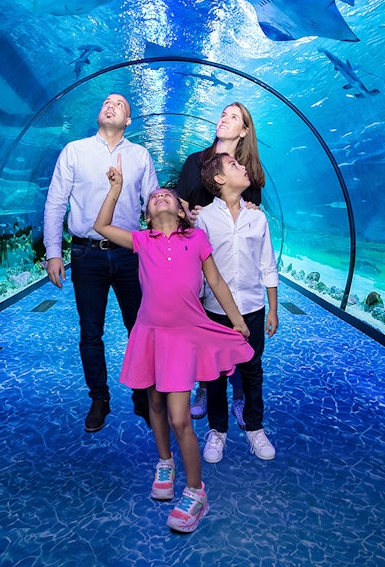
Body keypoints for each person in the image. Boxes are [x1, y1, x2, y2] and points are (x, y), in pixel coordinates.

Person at [93, 157, 253, 534]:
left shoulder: (196, 239)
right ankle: (164, 461)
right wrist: (116, 189)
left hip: (184, 336)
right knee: (154, 404)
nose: (161, 197)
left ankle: (196, 491)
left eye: (169, 196)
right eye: (154, 198)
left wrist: (237, 320)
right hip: (149, 335)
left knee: (181, 416)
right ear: (147, 215)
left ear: (183, 211)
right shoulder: (140, 241)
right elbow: (99, 226)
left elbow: (215, 282)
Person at [43, 93, 159, 433]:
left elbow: (153, 205)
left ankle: (143, 395)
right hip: (85, 254)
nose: (110, 105)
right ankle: (99, 398)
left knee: (139, 328)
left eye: (119, 104)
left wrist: (162, 248)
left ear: (128, 121)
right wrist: (53, 251)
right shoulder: (74, 151)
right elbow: (55, 203)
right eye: (106, 101)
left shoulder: (140, 155)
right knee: (90, 332)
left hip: (128, 253)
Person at [175, 102, 267, 421]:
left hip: (235, 267)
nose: (223, 119)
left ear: (244, 131)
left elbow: (253, 216)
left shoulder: (247, 174)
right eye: (223, 114)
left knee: (239, 331)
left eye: (233, 117)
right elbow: (180, 205)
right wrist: (191, 214)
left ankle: (239, 394)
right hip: (199, 262)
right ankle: (206, 385)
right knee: (206, 328)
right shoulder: (195, 162)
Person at [195, 151, 279, 463]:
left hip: (254, 307)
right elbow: (199, 270)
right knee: (215, 373)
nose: (243, 167)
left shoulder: (258, 218)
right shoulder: (203, 219)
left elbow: (268, 265)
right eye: (234, 165)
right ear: (219, 179)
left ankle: (255, 429)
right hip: (215, 310)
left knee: (253, 370)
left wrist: (273, 309)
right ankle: (218, 432)